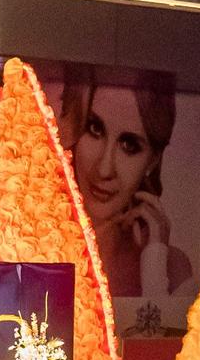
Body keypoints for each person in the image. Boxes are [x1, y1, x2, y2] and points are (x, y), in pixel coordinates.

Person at [57, 69, 192, 300]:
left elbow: (158, 334)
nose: (104, 169)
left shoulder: (173, 268)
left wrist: (154, 264)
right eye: (95, 129)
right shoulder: (38, 244)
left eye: (129, 145)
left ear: (152, 160)